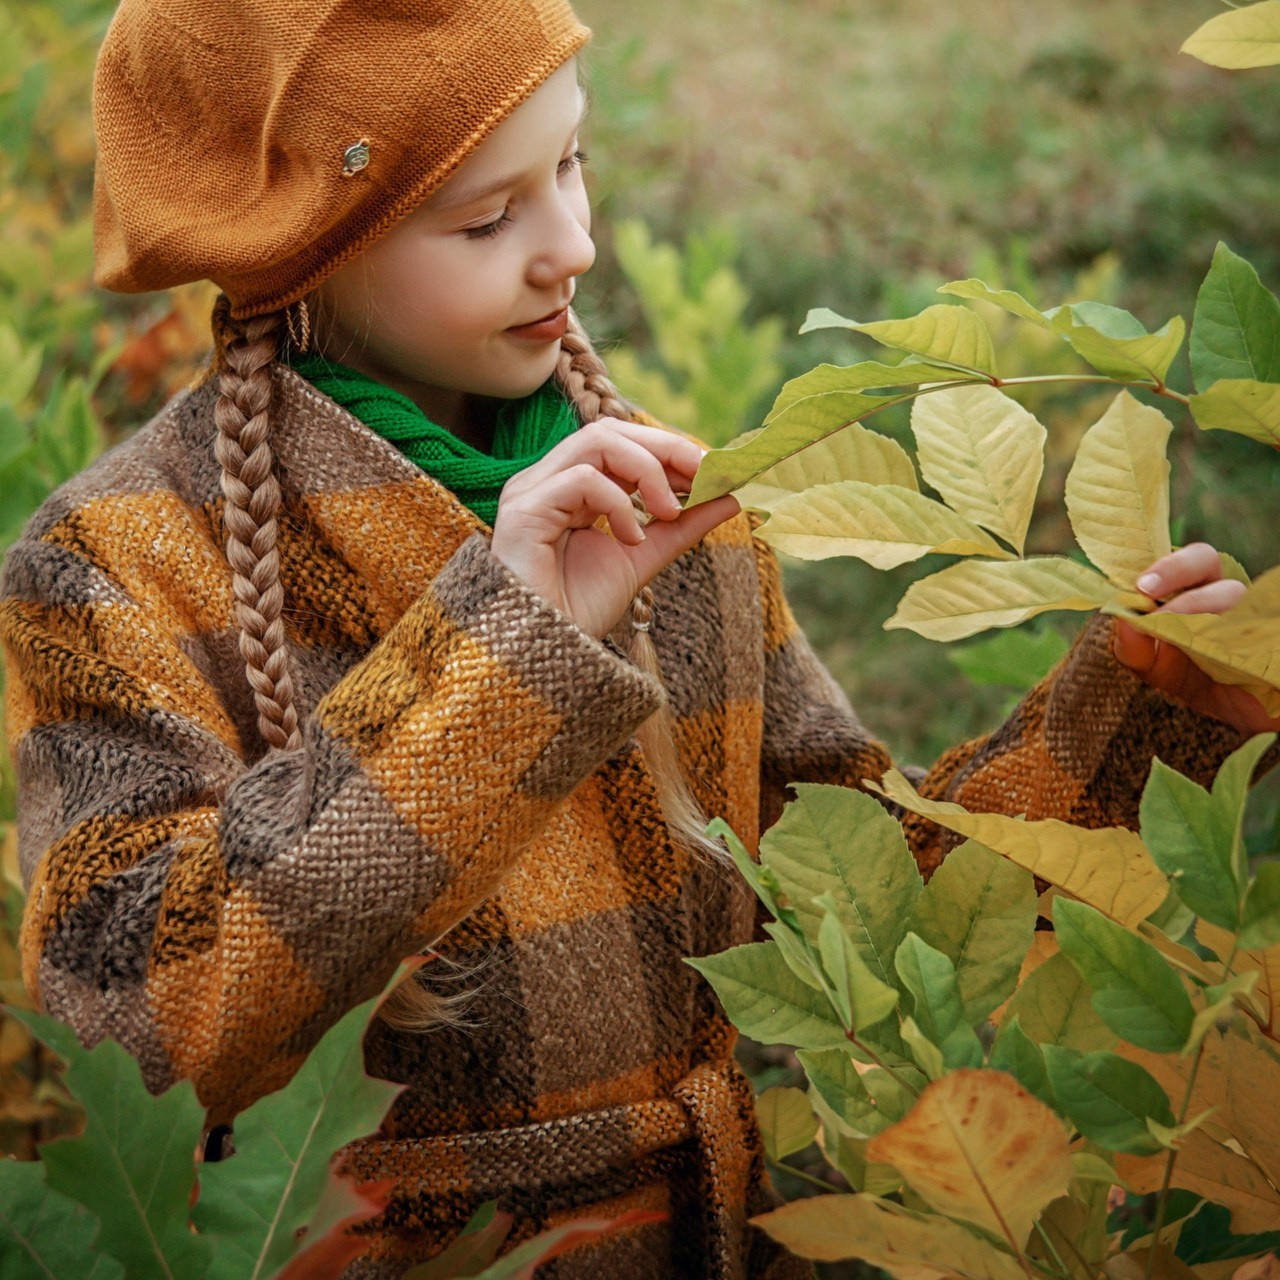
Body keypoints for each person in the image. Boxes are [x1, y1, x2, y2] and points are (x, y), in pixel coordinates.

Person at [1, 1, 1273, 1276]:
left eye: (570, 163)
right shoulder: (115, 565)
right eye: (486, 219)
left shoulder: (651, 502)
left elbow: (868, 910)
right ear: (298, 250)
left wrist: (1134, 728)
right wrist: (504, 657)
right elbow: (139, 1030)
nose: (574, 245)